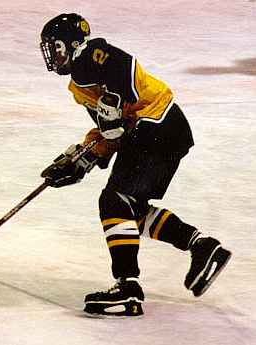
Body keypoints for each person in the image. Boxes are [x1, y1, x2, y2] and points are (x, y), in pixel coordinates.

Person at [39, 13, 232, 317]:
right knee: (126, 208)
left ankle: (128, 289)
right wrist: (81, 159)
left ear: (73, 44)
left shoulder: (90, 55)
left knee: (114, 201)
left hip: (158, 124)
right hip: (158, 131)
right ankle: (202, 246)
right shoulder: (78, 87)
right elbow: (110, 131)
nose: (52, 54)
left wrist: (115, 101)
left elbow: (124, 66)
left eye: (56, 46)